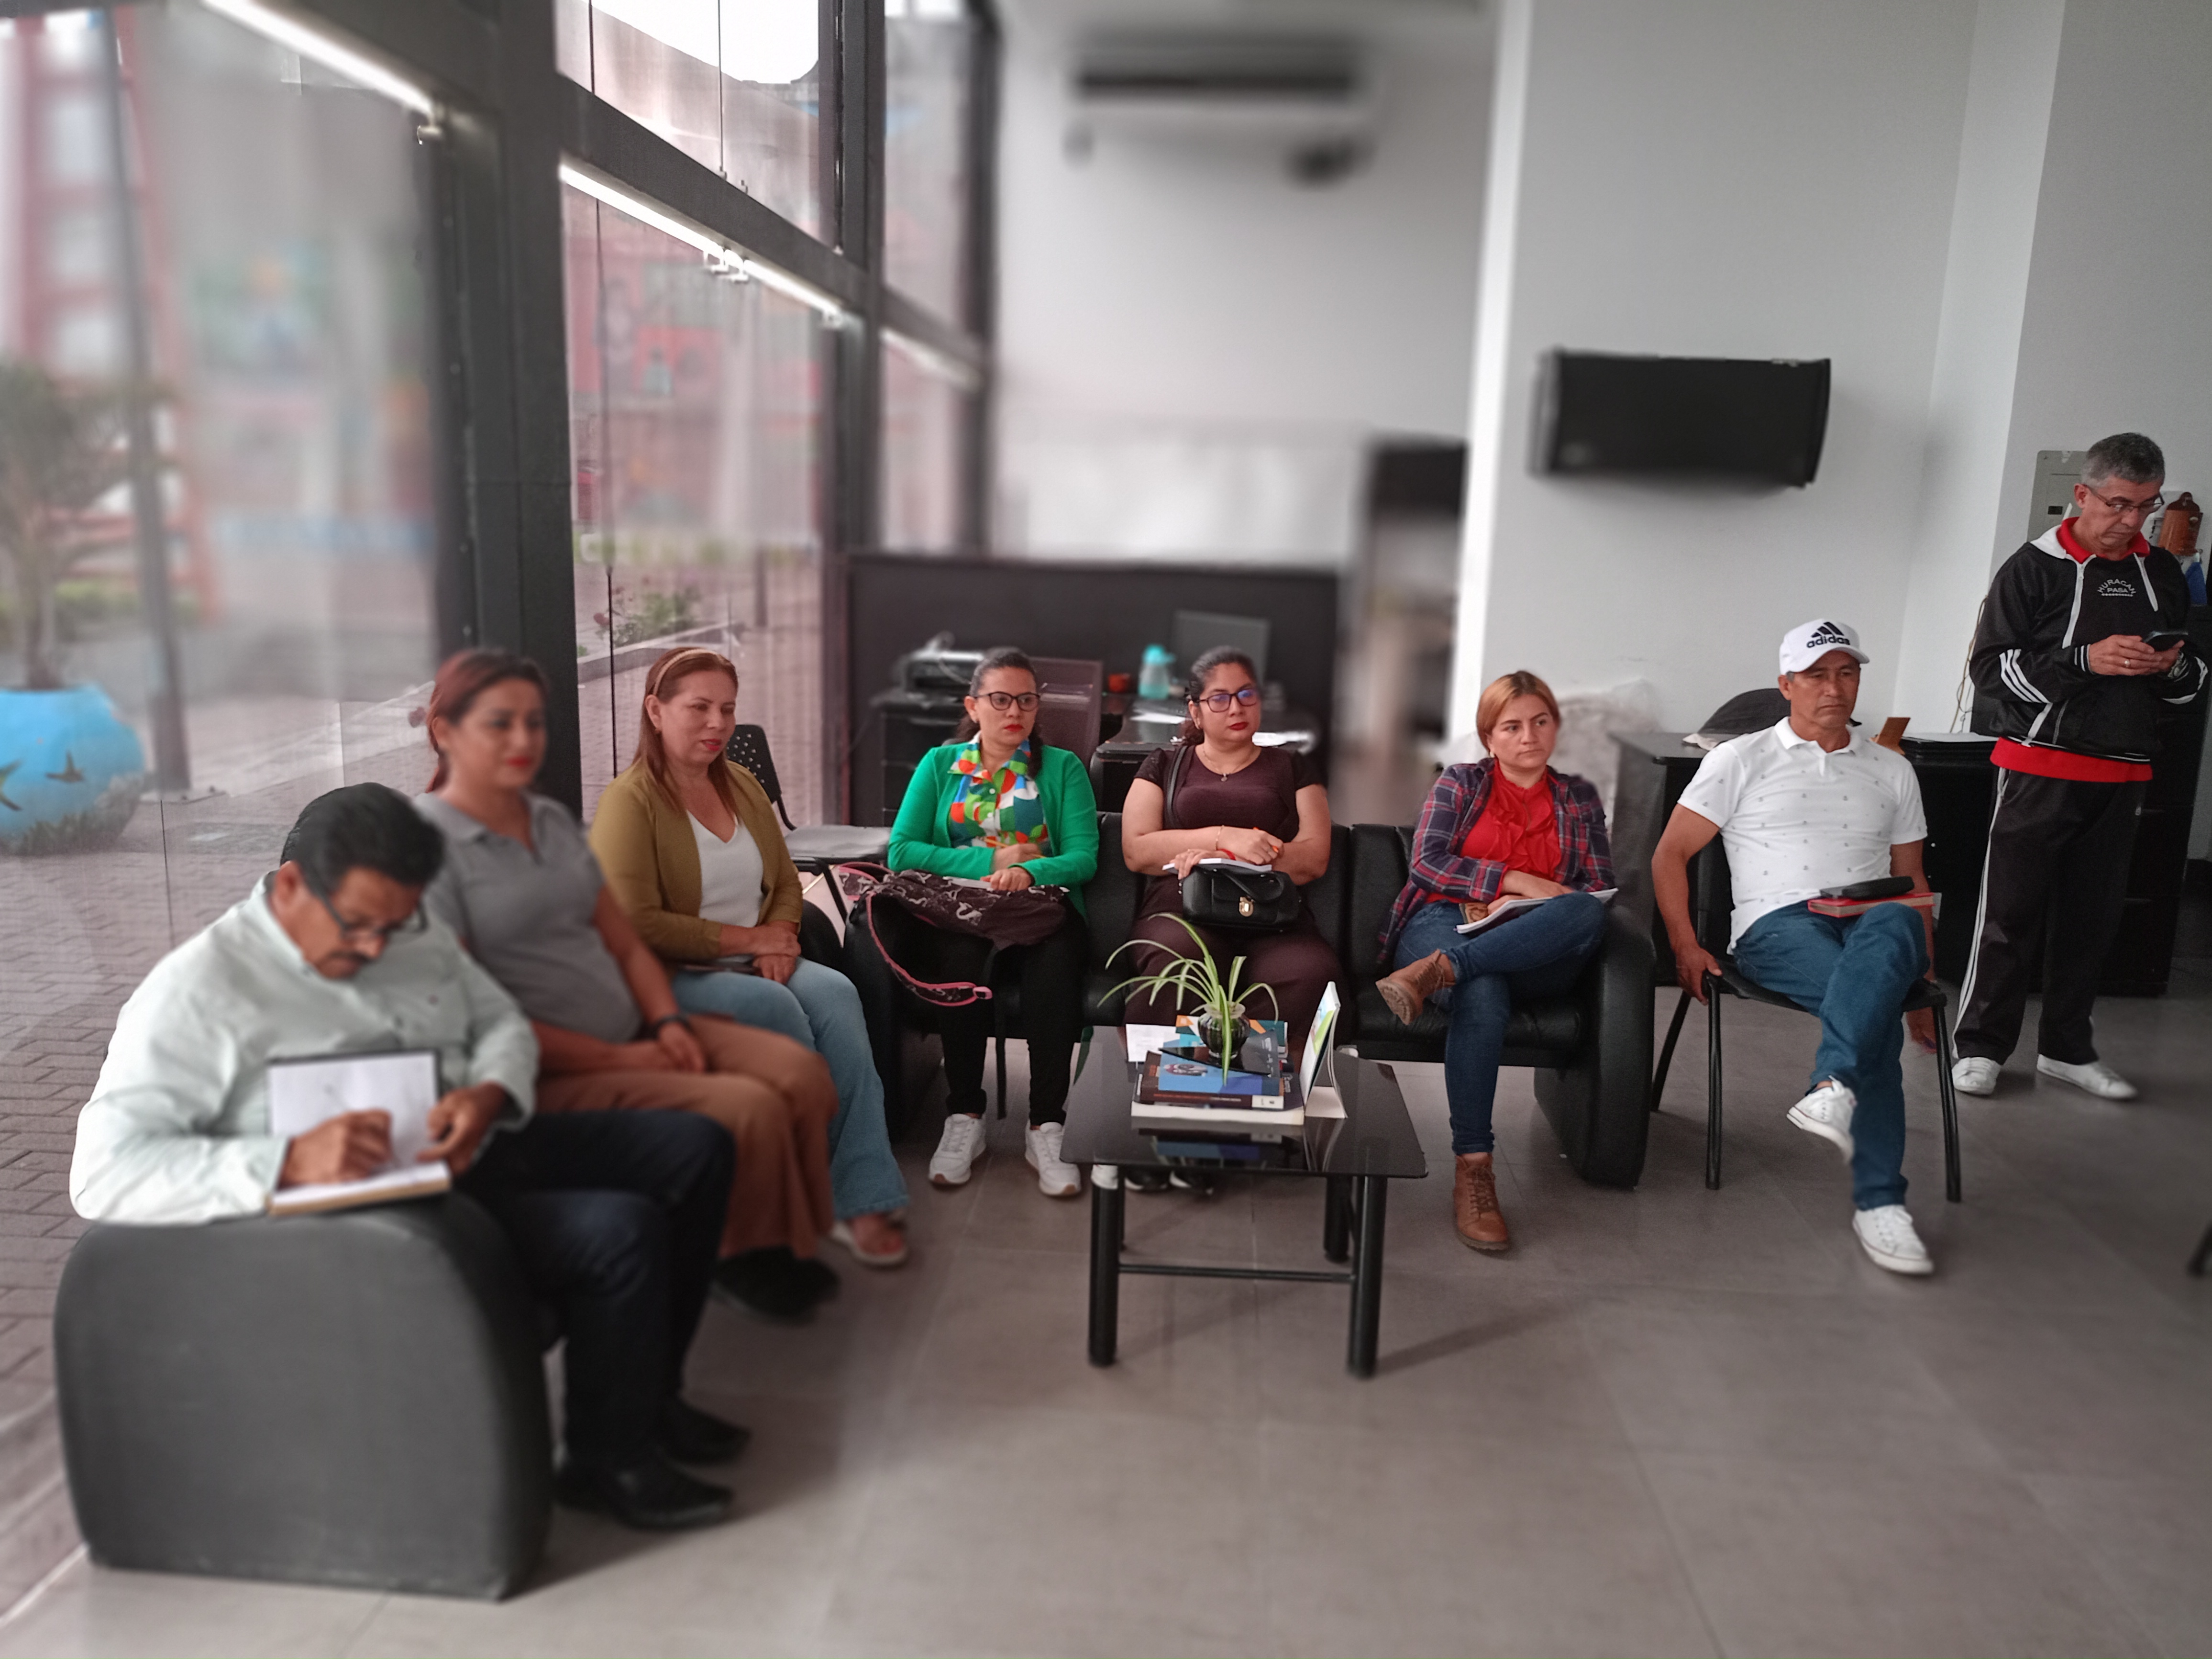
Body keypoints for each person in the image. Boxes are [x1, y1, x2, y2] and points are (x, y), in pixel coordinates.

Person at [70, 784, 743, 1530]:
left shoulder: (407, 925)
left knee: (696, 1148)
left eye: (392, 928)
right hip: (378, 1220)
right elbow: (104, 1171)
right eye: (358, 927)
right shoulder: (196, 993)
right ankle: (607, 1458)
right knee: (618, 1232)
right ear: (291, 885)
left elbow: (502, 1024)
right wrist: (287, 1160)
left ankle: (652, 1399)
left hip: (463, 1146)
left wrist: (489, 1092)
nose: (375, 950)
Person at [413, 649, 846, 1325]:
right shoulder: (423, 849)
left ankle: (767, 1239)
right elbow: (476, 1015)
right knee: (749, 1104)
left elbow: (620, 938)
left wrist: (666, 1022)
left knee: (799, 1073)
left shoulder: (545, 822)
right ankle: (736, 1255)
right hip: (554, 1060)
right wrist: (625, 1054)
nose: (524, 739)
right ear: (444, 731)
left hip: (634, 1022)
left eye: (532, 722)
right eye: (500, 722)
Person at [588, 647, 910, 1268]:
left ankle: (862, 1194)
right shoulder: (629, 802)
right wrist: (750, 943)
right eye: (699, 708)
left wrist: (782, 934)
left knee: (837, 995)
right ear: (655, 711)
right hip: (672, 976)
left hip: (757, 954)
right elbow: (635, 925)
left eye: (728, 709)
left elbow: (785, 880)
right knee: (775, 1009)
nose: (718, 723)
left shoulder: (741, 783)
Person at [1651, 620, 1943, 1276]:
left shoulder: (1892, 770)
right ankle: (1880, 1202)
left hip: (1872, 925)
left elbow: (1915, 882)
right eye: (1816, 675)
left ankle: (1833, 1084)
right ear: (1786, 685)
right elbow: (1670, 855)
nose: (1833, 688)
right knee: (1877, 1023)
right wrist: (1685, 946)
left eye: (1846, 673)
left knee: (1895, 921)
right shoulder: (1740, 758)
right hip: (1778, 928)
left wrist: (1923, 982)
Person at [1952, 431, 2207, 1101]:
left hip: (2123, 773)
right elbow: (1990, 672)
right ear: (2082, 495)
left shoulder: (2163, 573)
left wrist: (2169, 666)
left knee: (2092, 926)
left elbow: (2189, 688)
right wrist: (2086, 661)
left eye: (2146, 506)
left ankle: (2066, 1050)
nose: (2131, 520)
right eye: (2118, 504)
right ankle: (1979, 1047)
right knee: (2008, 920)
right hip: (2037, 767)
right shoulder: (2032, 568)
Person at [1371, 671, 1613, 1252]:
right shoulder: (1460, 782)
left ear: (1554, 726)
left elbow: (1598, 887)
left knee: (1585, 912)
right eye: (1512, 726)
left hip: (1536, 942)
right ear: (1489, 737)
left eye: (1540, 722)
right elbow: (1427, 864)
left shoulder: (1578, 797)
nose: (1528, 736)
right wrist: (1515, 883)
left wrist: (1538, 907)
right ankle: (1474, 1168)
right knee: (1484, 990)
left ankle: (1444, 970)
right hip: (1446, 919)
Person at [868, 646, 1100, 1198]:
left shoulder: (1063, 767)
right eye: (1000, 699)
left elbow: (1084, 856)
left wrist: (1029, 871)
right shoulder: (939, 764)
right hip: (959, 908)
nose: (1014, 711)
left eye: (1026, 700)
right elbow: (902, 851)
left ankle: (1046, 1125)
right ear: (973, 706)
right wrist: (994, 861)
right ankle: (964, 1116)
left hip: (1041, 905)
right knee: (957, 959)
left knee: (1055, 963)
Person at [1119, 645, 1339, 1040]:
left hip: (1272, 912)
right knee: (1181, 961)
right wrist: (1224, 838)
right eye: (1220, 699)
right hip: (1183, 907)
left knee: (1309, 972)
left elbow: (1314, 857)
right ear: (1196, 711)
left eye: (1246, 695)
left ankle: (1256, 1072)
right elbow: (1137, 850)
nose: (1236, 708)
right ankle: (1167, 1072)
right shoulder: (1163, 764)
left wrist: (1224, 857)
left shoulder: (1294, 767)